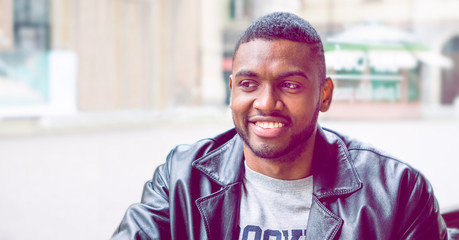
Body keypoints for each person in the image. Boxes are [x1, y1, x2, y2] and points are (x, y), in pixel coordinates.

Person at [111, 12, 450, 239]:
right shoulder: (182, 178)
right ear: (232, 91)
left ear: (325, 95)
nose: (265, 102)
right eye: (248, 84)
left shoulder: (396, 192)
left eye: (290, 85)